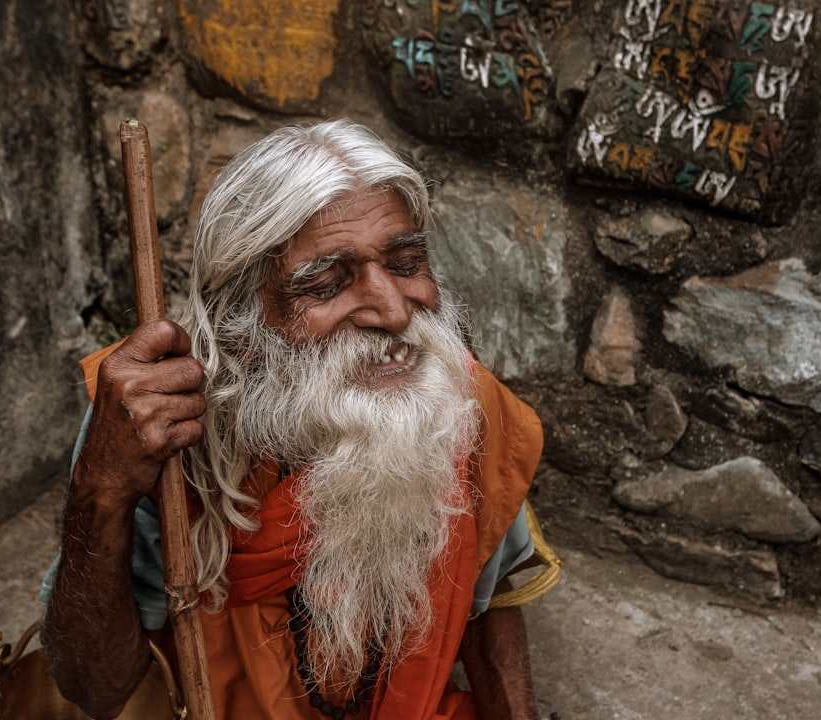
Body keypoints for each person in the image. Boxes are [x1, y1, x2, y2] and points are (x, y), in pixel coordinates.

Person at [40, 119, 551, 720]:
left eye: (407, 262)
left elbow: (487, 602)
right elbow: (95, 690)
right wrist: (100, 490)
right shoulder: (155, 428)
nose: (391, 311)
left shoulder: (457, 399)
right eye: (328, 283)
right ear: (244, 323)